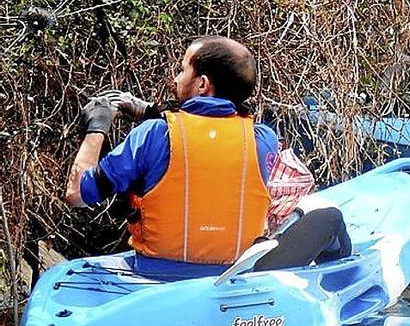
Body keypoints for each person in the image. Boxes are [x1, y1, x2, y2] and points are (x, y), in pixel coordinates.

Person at [65, 36, 350, 275]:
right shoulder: (264, 140)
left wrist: (97, 127)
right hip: (230, 276)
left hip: (156, 274)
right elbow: (208, 135)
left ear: (201, 84)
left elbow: (77, 193)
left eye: (182, 70)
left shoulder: (152, 135)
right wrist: (150, 111)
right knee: (330, 217)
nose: (176, 78)